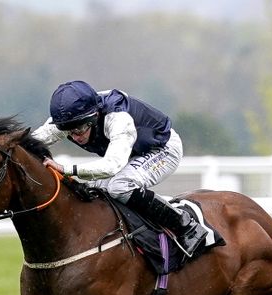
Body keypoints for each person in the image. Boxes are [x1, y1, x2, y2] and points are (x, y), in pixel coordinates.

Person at [32, 80, 206, 253]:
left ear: (95, 116)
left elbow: (112, 165)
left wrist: (66, 170)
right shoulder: (72, 118)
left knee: (119, 186)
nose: (76, 137)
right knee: (93, 188)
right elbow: (29, 141)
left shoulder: (117, 118)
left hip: (162, 149)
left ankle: (185, 226)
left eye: (79, 130)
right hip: (131, 153)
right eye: (69, 132)